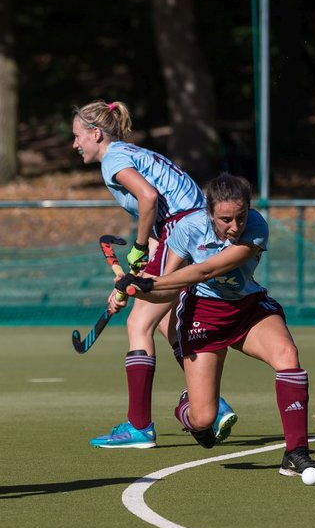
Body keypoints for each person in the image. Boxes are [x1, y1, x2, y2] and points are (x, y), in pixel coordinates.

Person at [112, 173, 315, 480]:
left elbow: (206, 269)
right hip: (203, 315)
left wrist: (149, 282)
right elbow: (168, 290)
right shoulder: (188, 229)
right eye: (226, 219)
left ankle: (295, 454)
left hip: (247, 309)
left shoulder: (255, 226)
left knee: (288, 358)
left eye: (240, 217)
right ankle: (188, 406)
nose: (235, 226)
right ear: (209, 212)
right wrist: (133, 288)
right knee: (203, 420)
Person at [71, 99, 236, 449]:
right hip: (191, 230)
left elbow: (147, 199)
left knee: (138, 325)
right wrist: (132, 279)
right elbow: (166, 209)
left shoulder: (113, 159)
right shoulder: (134, 152)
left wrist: (140, 246)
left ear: (96, 134)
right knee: (165, 323)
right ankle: (213, 406)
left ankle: (139, 426)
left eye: (77, 136)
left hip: (183, 231)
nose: (74, 145)